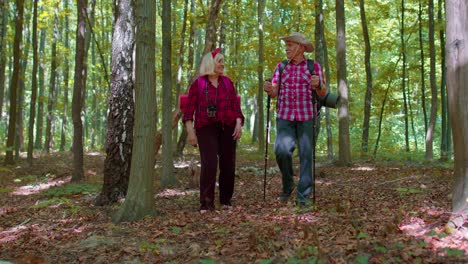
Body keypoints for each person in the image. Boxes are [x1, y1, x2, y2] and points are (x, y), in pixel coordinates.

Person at [264, 32, 327, 206]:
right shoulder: (281, 66)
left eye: (290, 45)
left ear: (301, 47)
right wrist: (269, 88)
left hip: (307, 116)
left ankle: (303, 195)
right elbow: (274, 92)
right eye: (286, 45)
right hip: (285, 116)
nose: (287, 48)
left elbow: (323, 93)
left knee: (306, 155)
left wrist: (318, 85)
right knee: (281, 151)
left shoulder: (313, 67)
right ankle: (288, 183)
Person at [183, 48, 244, 213]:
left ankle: (226, 201)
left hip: (228, 127)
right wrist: (191, 133)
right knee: (209, 164)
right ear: (210, 63)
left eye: (223, 61)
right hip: (206, 127)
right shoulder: (198, 84)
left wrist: (238, 122)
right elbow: (188, 112)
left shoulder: (228, 83)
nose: (223, 64)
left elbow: (235, 107)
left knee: (228, 165)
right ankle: (206, 203)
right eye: (220, 61)